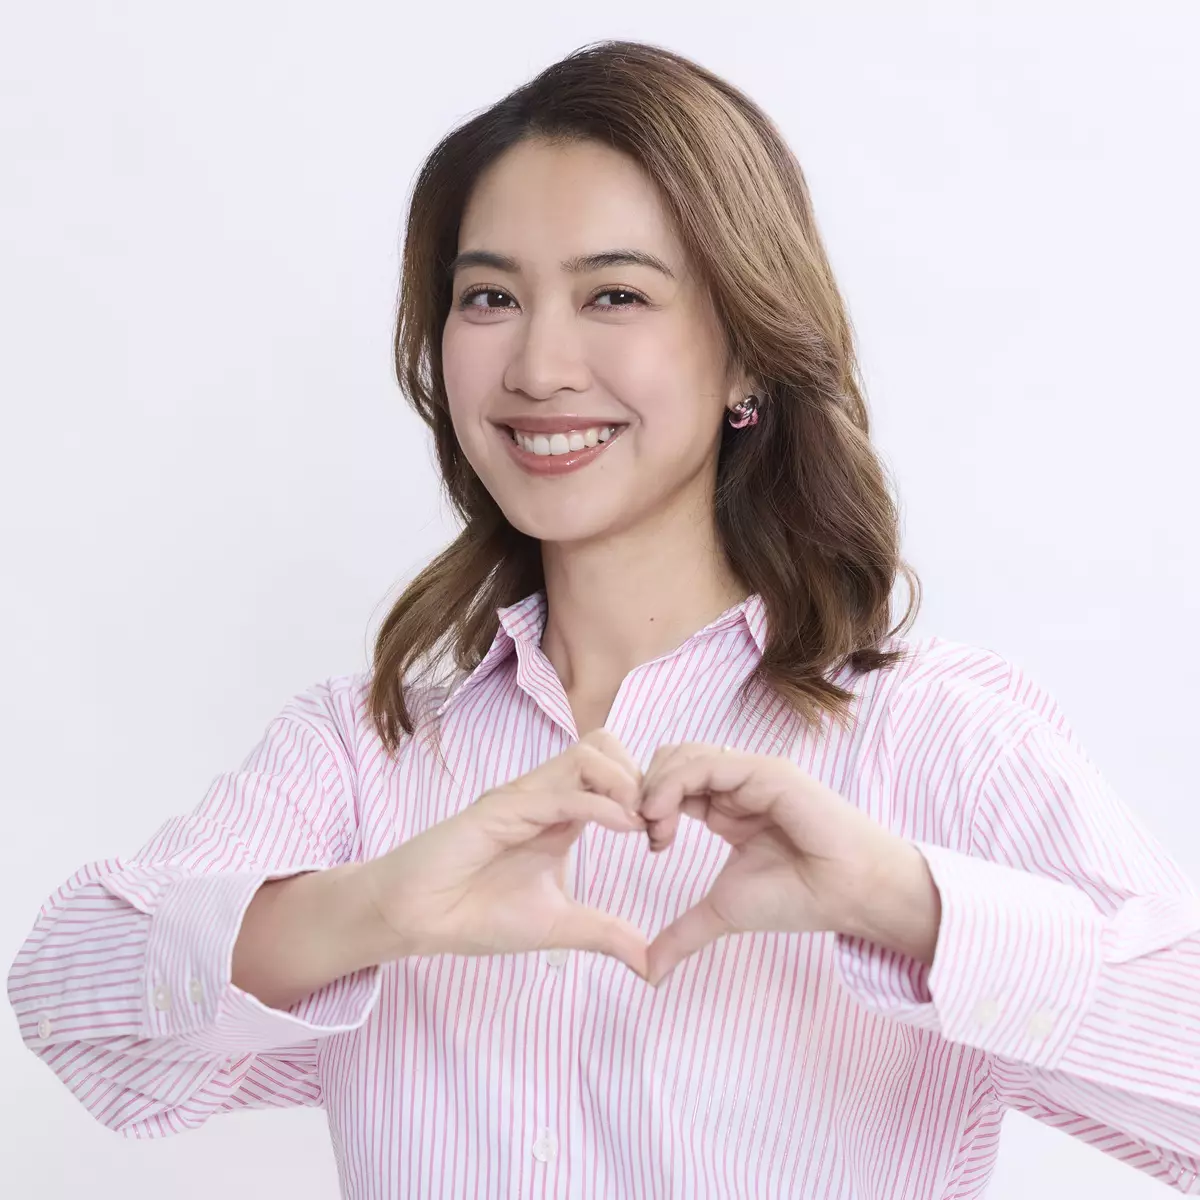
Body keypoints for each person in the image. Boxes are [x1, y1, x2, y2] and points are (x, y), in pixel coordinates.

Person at [8, 37, 1200, 1200]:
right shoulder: (366, 751)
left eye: (615, 294)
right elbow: (69, 1000)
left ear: (747, 357)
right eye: (489, 297)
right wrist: (373, 911)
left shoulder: (932, 735)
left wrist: (906, 905)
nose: (538, 366)